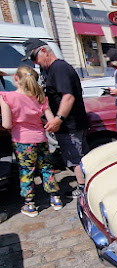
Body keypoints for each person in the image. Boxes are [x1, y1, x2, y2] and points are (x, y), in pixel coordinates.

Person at [22, 38, 89, 199]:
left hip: (70, 123)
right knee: (76, 157)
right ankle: (85, 186)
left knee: (75, 159)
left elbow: (68, 97)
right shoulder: (51, 69)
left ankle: (84, 189)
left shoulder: (59, 68)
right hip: (67, 124)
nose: (35, 62)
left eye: (34, 57)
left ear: (44, 51)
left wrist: (58, 119)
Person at [0, 66, 62, 217]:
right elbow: (51, 120)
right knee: (47, 167)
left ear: (16, 79)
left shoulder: (7, 97)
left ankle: (30, 204)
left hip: (22, 140)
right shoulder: (40, 97)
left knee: (26, 171)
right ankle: (55, 199)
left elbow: (7, 124)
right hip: (40, 138)